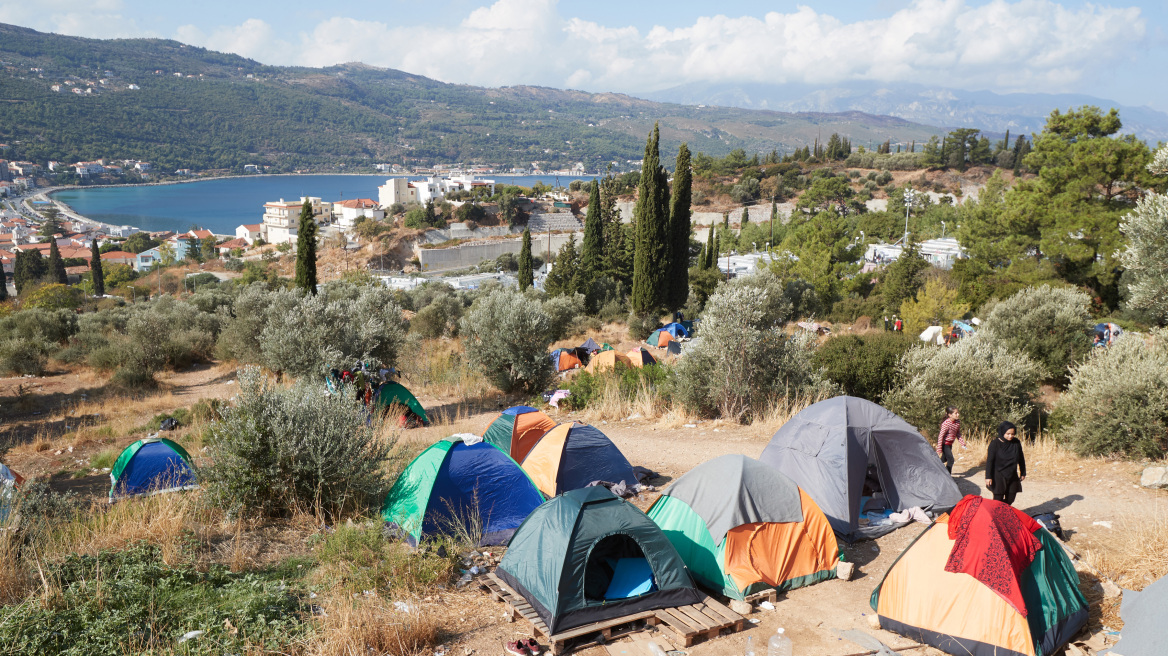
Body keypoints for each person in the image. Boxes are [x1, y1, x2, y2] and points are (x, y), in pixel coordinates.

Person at [986, 421, 1026, 505]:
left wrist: (1023, 472)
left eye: (1012, 434)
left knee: (1011, 498)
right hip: (998, 475)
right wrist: (988, 477)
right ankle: (996, 512)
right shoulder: (995, 444)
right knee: (998, 499)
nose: (1010, 436)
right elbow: (990, 461)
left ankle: (1003, 510)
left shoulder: (1016, 443)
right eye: (1008, 434)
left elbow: (1021, 458)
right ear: (1002, 432)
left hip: (1012, 474)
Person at [936, 406, 966, 474]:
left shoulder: (957, 422)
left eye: (958, 413)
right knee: (951, 460)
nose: (958, 414)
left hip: (950, 444)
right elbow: (941, 436)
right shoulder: (946, 423)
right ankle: (947, 475)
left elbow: (958, 433)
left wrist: (962, 443)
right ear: (950, 415)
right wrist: (939, 448)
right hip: (945, 444)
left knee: (944, 459)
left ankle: (934, 467)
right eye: (956, 413)